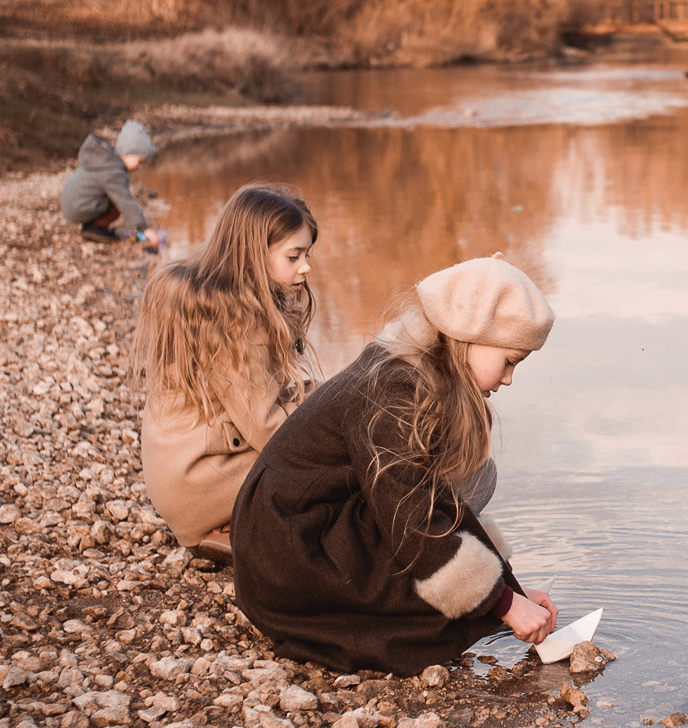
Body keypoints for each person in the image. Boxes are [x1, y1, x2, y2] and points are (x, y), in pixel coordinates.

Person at [231, 255, 559, 676]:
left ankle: (470, 593)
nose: (509, 378)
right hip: (286, 554)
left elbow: (428, 497)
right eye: (509, 361)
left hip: (308, 526)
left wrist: (510, 589)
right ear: (469, 337)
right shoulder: (393, 389)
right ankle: (337, 618)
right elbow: (412, 516)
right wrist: (505, 605)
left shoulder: (413, 370)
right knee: (436, 613)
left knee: (476, 478)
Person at [133, 184, 320, 564]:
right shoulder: (237, 321)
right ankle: (236, 528)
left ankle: (239, 523)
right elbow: (265, 427)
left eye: (307, 254)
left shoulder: (209, 298)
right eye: (293, 256)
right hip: (198, 485)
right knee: (329, 476)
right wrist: (330, 431)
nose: (306, 266)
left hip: (180, 474)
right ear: (252, 256)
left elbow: (249, 400)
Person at [62, 119, 157, 243]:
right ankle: (94, 229)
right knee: (118, 200)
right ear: (127, 152)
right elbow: (125, 201)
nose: (139, 167)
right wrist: (142, 229)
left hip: (73, 204)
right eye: (140, 162)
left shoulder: (105, 160)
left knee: (114, 194)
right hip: (78, 207)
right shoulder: (113, 171)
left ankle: (92, 225)